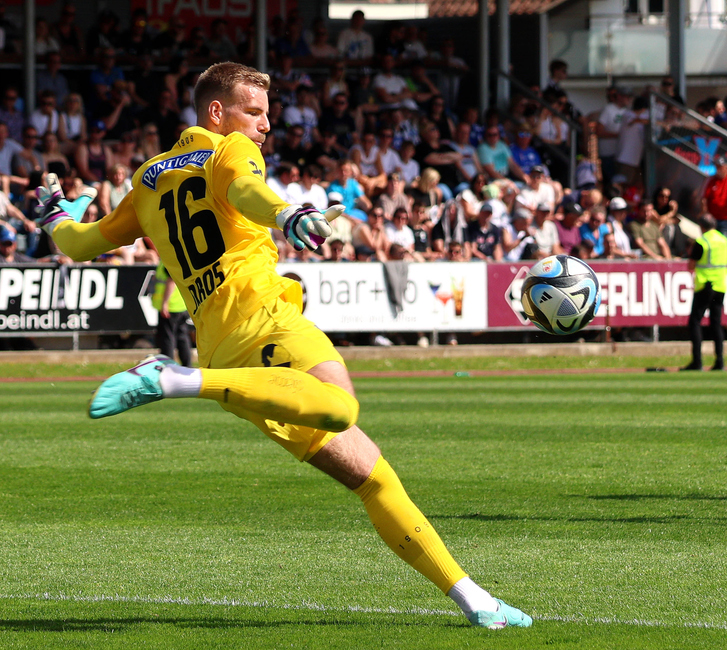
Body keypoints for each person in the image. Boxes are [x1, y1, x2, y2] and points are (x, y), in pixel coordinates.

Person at [32, 61, 531, 629]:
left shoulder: (146, 178)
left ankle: (474, 601)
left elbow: (79, 243)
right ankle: (174, 379)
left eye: (267, 115)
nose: (265, 125)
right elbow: (246, 189)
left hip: (227, 352)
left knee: (372, 476)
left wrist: (53, 217)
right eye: (254, 112)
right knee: (342, 406)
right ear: (217, 113)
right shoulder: (226, 150)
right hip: (264, 317)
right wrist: (286, 211)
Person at [682, 214, 727, 372]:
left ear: (701, 226)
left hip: (705, 285)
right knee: (716, 323)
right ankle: (720, 361)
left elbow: (691, 265)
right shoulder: (726, 241)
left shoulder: (702, 242)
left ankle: (697, 361)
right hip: (721, 285)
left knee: (695, 322)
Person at [153, 262, 193, 366]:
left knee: (167, 339)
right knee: (182, 337)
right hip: (181, 305)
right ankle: (187, 365)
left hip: (171, 306)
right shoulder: (178, 259)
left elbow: (171, 281)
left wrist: (165, 303)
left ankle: (167, 366)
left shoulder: (168, 260)